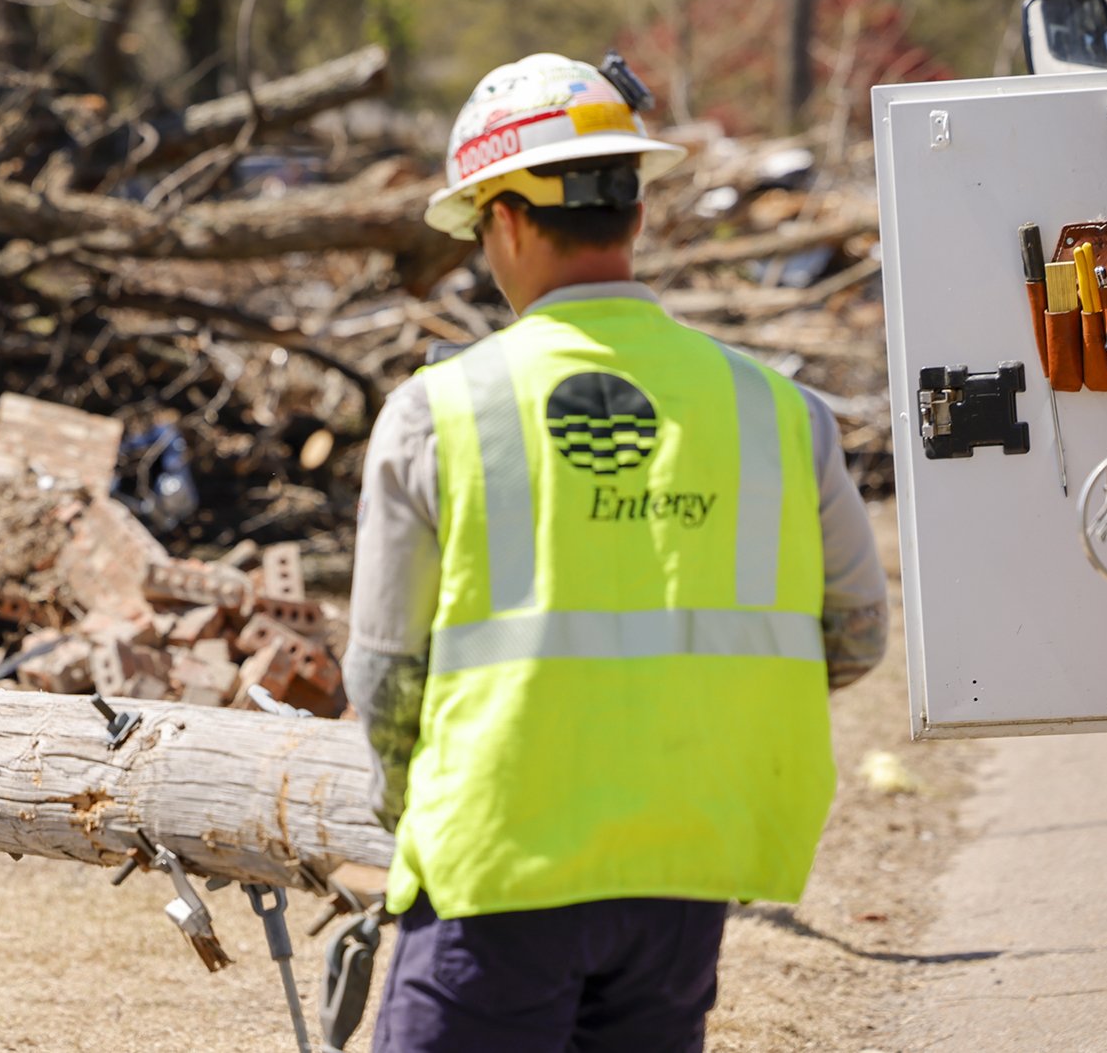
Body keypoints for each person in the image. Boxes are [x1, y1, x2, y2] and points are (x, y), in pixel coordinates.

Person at [344, 53, 888, 1053]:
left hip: (494, 867)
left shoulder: (437, 412)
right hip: (683, 874)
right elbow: (853, 634)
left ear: (504, 219)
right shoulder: (773, 410)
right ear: (631, 213)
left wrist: (404, 817)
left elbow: (383, 680)